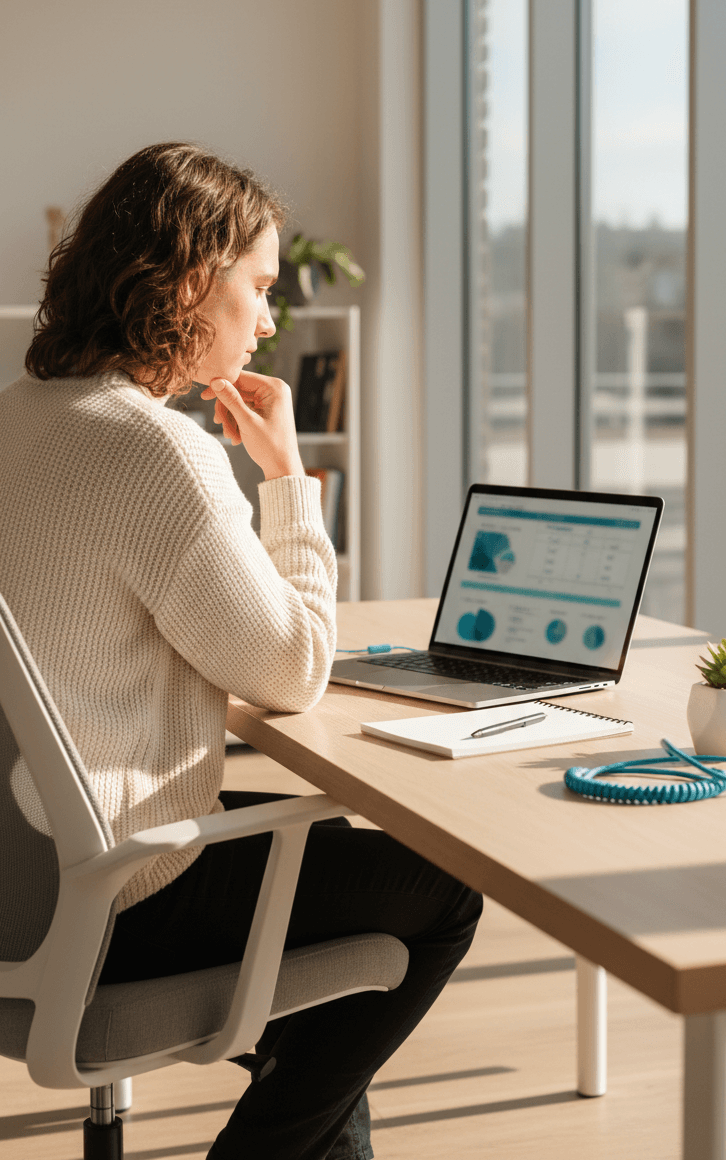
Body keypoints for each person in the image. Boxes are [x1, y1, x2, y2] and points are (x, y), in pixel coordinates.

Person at [0, 142, 482, 1160]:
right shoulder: (158, 453)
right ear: (188, 281)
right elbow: (294, 668)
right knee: (441, 891)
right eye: (257, 287)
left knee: (320, 1026)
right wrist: (288, 477)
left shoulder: (14, 420)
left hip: (17, 888)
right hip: (122, 894)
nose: (267, 321)